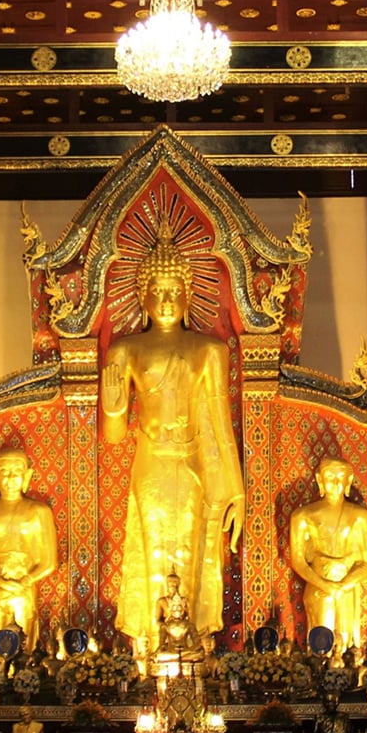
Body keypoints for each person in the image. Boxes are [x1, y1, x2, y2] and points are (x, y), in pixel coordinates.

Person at [101, 221, 245, 651]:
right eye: (157, 291)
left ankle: (191, 647)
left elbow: (220, 424)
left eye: (173, 291)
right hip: (150, 464)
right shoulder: (125, 350)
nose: (165, 300)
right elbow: (112, 437)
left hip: (191, 463)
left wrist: (235, 490)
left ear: (187, 294)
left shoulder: (209, 350)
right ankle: (147, 649)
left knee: (190, 550)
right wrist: (112, 406)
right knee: (150, 553)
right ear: (143, 296)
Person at [0, 447, 60, 651]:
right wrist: (1, 583)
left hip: (25, 587)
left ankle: (26, 675)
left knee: (26, 647)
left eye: (16, 472)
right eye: (4, 472)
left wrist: (25, 581)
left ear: (27, 476)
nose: (10, 479)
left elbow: (49, 562)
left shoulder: (39, 511)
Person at [288, 459, 367, 651]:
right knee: (321, 643)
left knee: (346, 644)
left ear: (349, 480)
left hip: (347, 587)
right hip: (319, 587)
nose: (335, 482)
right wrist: (326, 585)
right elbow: (298, 561)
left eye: (340, 477)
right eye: (329, 476)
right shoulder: (302, 516)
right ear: (319, 480)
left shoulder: (361, 517)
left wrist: (342, 585)